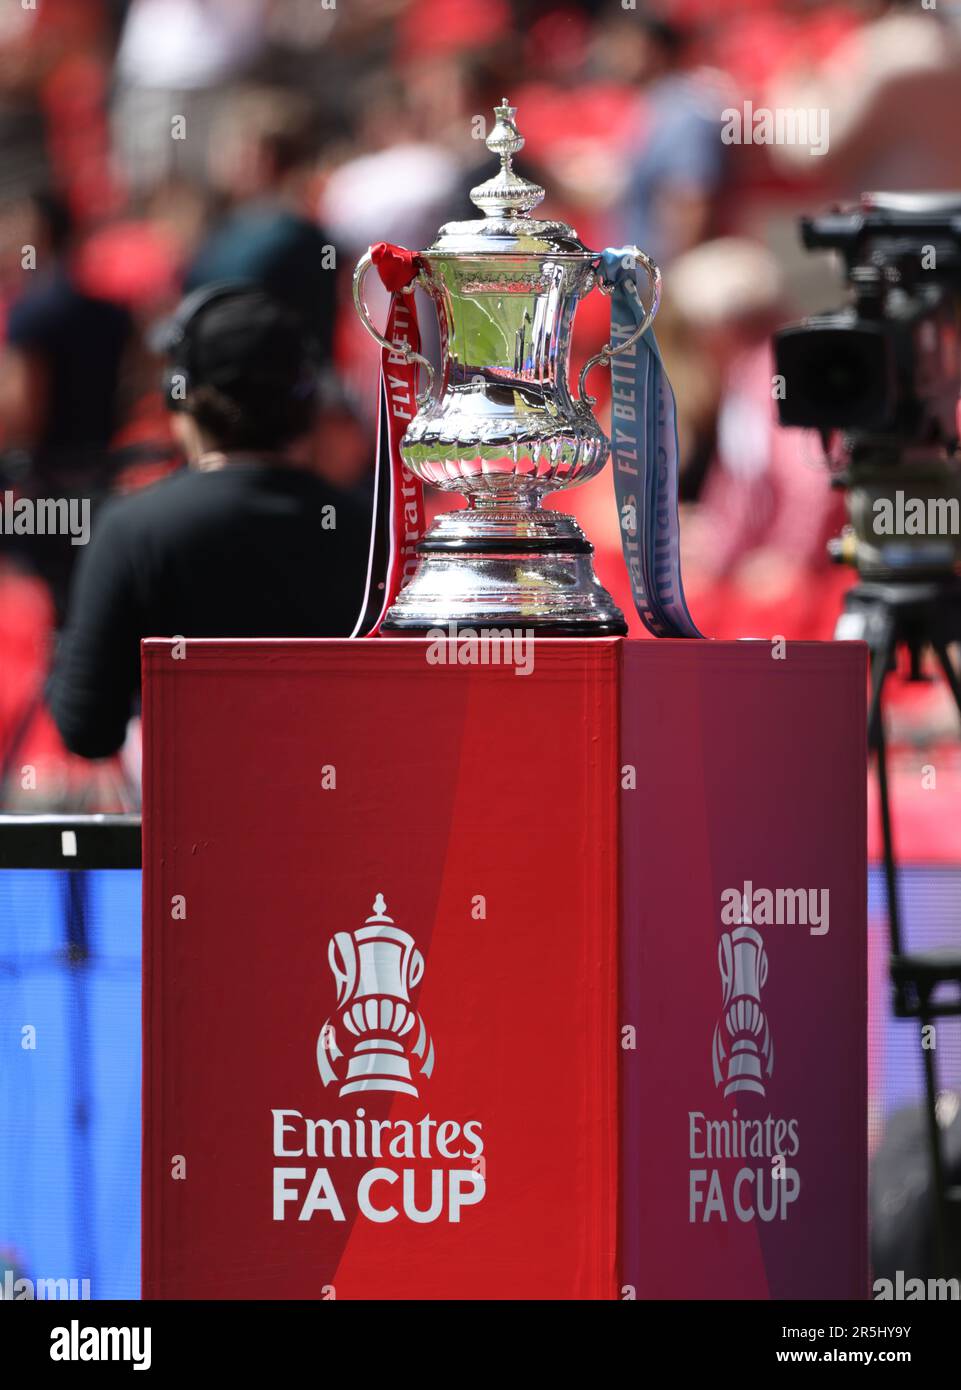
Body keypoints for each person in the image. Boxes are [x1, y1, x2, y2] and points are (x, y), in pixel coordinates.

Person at [46, 284, 370, 760]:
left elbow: (86, 730)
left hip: (189, 830)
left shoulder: (133, 530)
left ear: (182, 398)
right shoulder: (371, 530)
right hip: (349, 822)